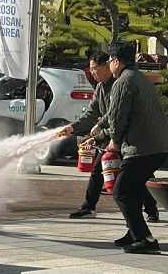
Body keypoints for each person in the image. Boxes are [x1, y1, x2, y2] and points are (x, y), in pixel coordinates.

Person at [63, 52, 159, 222]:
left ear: (107, 66)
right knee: (97, 170)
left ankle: (151, 208)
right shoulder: (100, 88)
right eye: (90, 70)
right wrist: (73, 127)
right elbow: (92, 112)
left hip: (126, 139)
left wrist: (99, 128)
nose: (92, 73)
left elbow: (114, 115)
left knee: (137, 177)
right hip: (111, 138)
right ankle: (88, 206)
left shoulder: (120, 84)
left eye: (95, 69)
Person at [105, 42, 168, 254]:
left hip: (141, 147)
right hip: (160, 145)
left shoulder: (123, 82)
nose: (109, 66)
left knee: (122, 192)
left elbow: (117, 117)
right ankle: (133, 232)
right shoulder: (141, 78)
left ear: (116, 61)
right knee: (132, 190)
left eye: (109, 61)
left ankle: (145, 239)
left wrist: (114, 141)